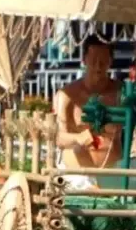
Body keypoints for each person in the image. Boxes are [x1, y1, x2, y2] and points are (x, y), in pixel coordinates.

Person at [53, 36, 123, 189]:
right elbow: (58, 137)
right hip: (77, 175)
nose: (98, 66)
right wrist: (77, 138)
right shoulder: (67, 95)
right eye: (93, 60)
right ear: (84, 60)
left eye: (103, 61)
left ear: (110, 62)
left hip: (112, 172)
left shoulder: (121, 92)